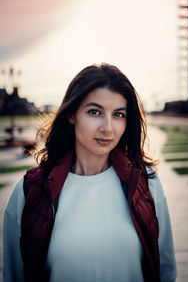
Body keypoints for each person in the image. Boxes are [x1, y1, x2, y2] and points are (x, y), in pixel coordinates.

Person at [3, 63, 177, 282]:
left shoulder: (146, 183)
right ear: (72, 115)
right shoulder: (29, 190)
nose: (107, 127)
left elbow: (167, 274)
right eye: (95, 112)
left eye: (119, 114)